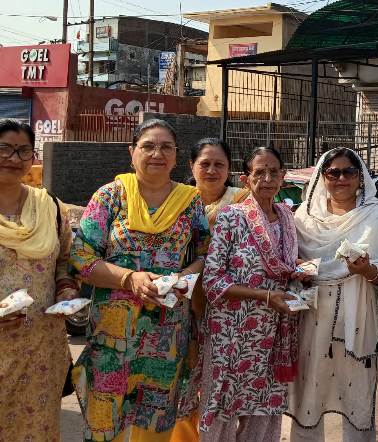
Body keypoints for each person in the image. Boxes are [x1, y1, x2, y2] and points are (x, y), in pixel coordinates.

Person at [71, 118, 211, 441]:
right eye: (148, 146)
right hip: (113, 335)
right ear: (131, 152)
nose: (157, 154)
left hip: (166, 332)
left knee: (156, 423)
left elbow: (206, 253)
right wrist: (129, 279)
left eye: (166, 147)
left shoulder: (190, 202)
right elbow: (81, 257)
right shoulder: (109, 197)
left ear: (175, 156)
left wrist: (183, 277)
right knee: (105, 422)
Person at [287, 147, 378, 442]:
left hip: (358, 312)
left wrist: (368, 270)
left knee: (357, 394)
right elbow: (290, 259)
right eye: (333, 172)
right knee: (309, 391)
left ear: (360, 177)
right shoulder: (304, 218)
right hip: (312, 313)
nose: (341, 178)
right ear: (322, 177)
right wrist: (300, 268)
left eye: (348, 171)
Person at [199, 146, 302, 441]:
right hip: (230, 334)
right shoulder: (231, 217)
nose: (267, 179)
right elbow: (212, 280)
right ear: (246, 179)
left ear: (283, 176)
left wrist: (300, 273)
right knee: (221, 407)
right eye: (259, 172)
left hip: (272, 334)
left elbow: (286, 267)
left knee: (264, 411)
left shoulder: (287, 218)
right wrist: (265, 297)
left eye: (273, 172)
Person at [0, 119, 78, 441]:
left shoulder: (50, 207)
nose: (13, 158)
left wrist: (66, 290)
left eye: (23, 151)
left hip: (42, 351)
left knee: (38, 431)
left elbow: (65, 260)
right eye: (4, 148)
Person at [172, 138, 249, 442]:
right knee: (183, 377)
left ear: (229, 169)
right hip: (181, 300)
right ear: (191, 166)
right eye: (205, 164)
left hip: (228, 305)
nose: (212, 170)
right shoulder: (176, 200)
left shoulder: (242, 201)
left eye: (219, 164)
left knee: (220, 381)